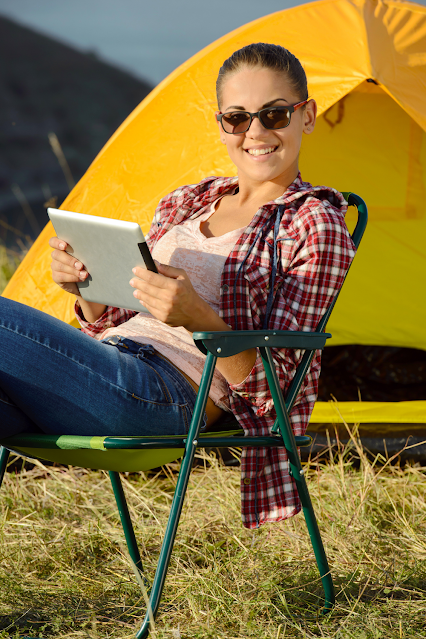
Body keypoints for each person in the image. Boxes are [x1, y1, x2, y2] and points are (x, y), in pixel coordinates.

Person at [0, 43, 355, 529]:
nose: (255, 132)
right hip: (111, 368)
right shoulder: (187, 201)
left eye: (274, 114)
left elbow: (279, 387)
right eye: (237, 118)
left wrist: (198, 319)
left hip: (165, 398)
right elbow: (119, 316)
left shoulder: (315, 224)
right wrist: (85, 288)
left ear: (307, 116)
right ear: (221, 125)